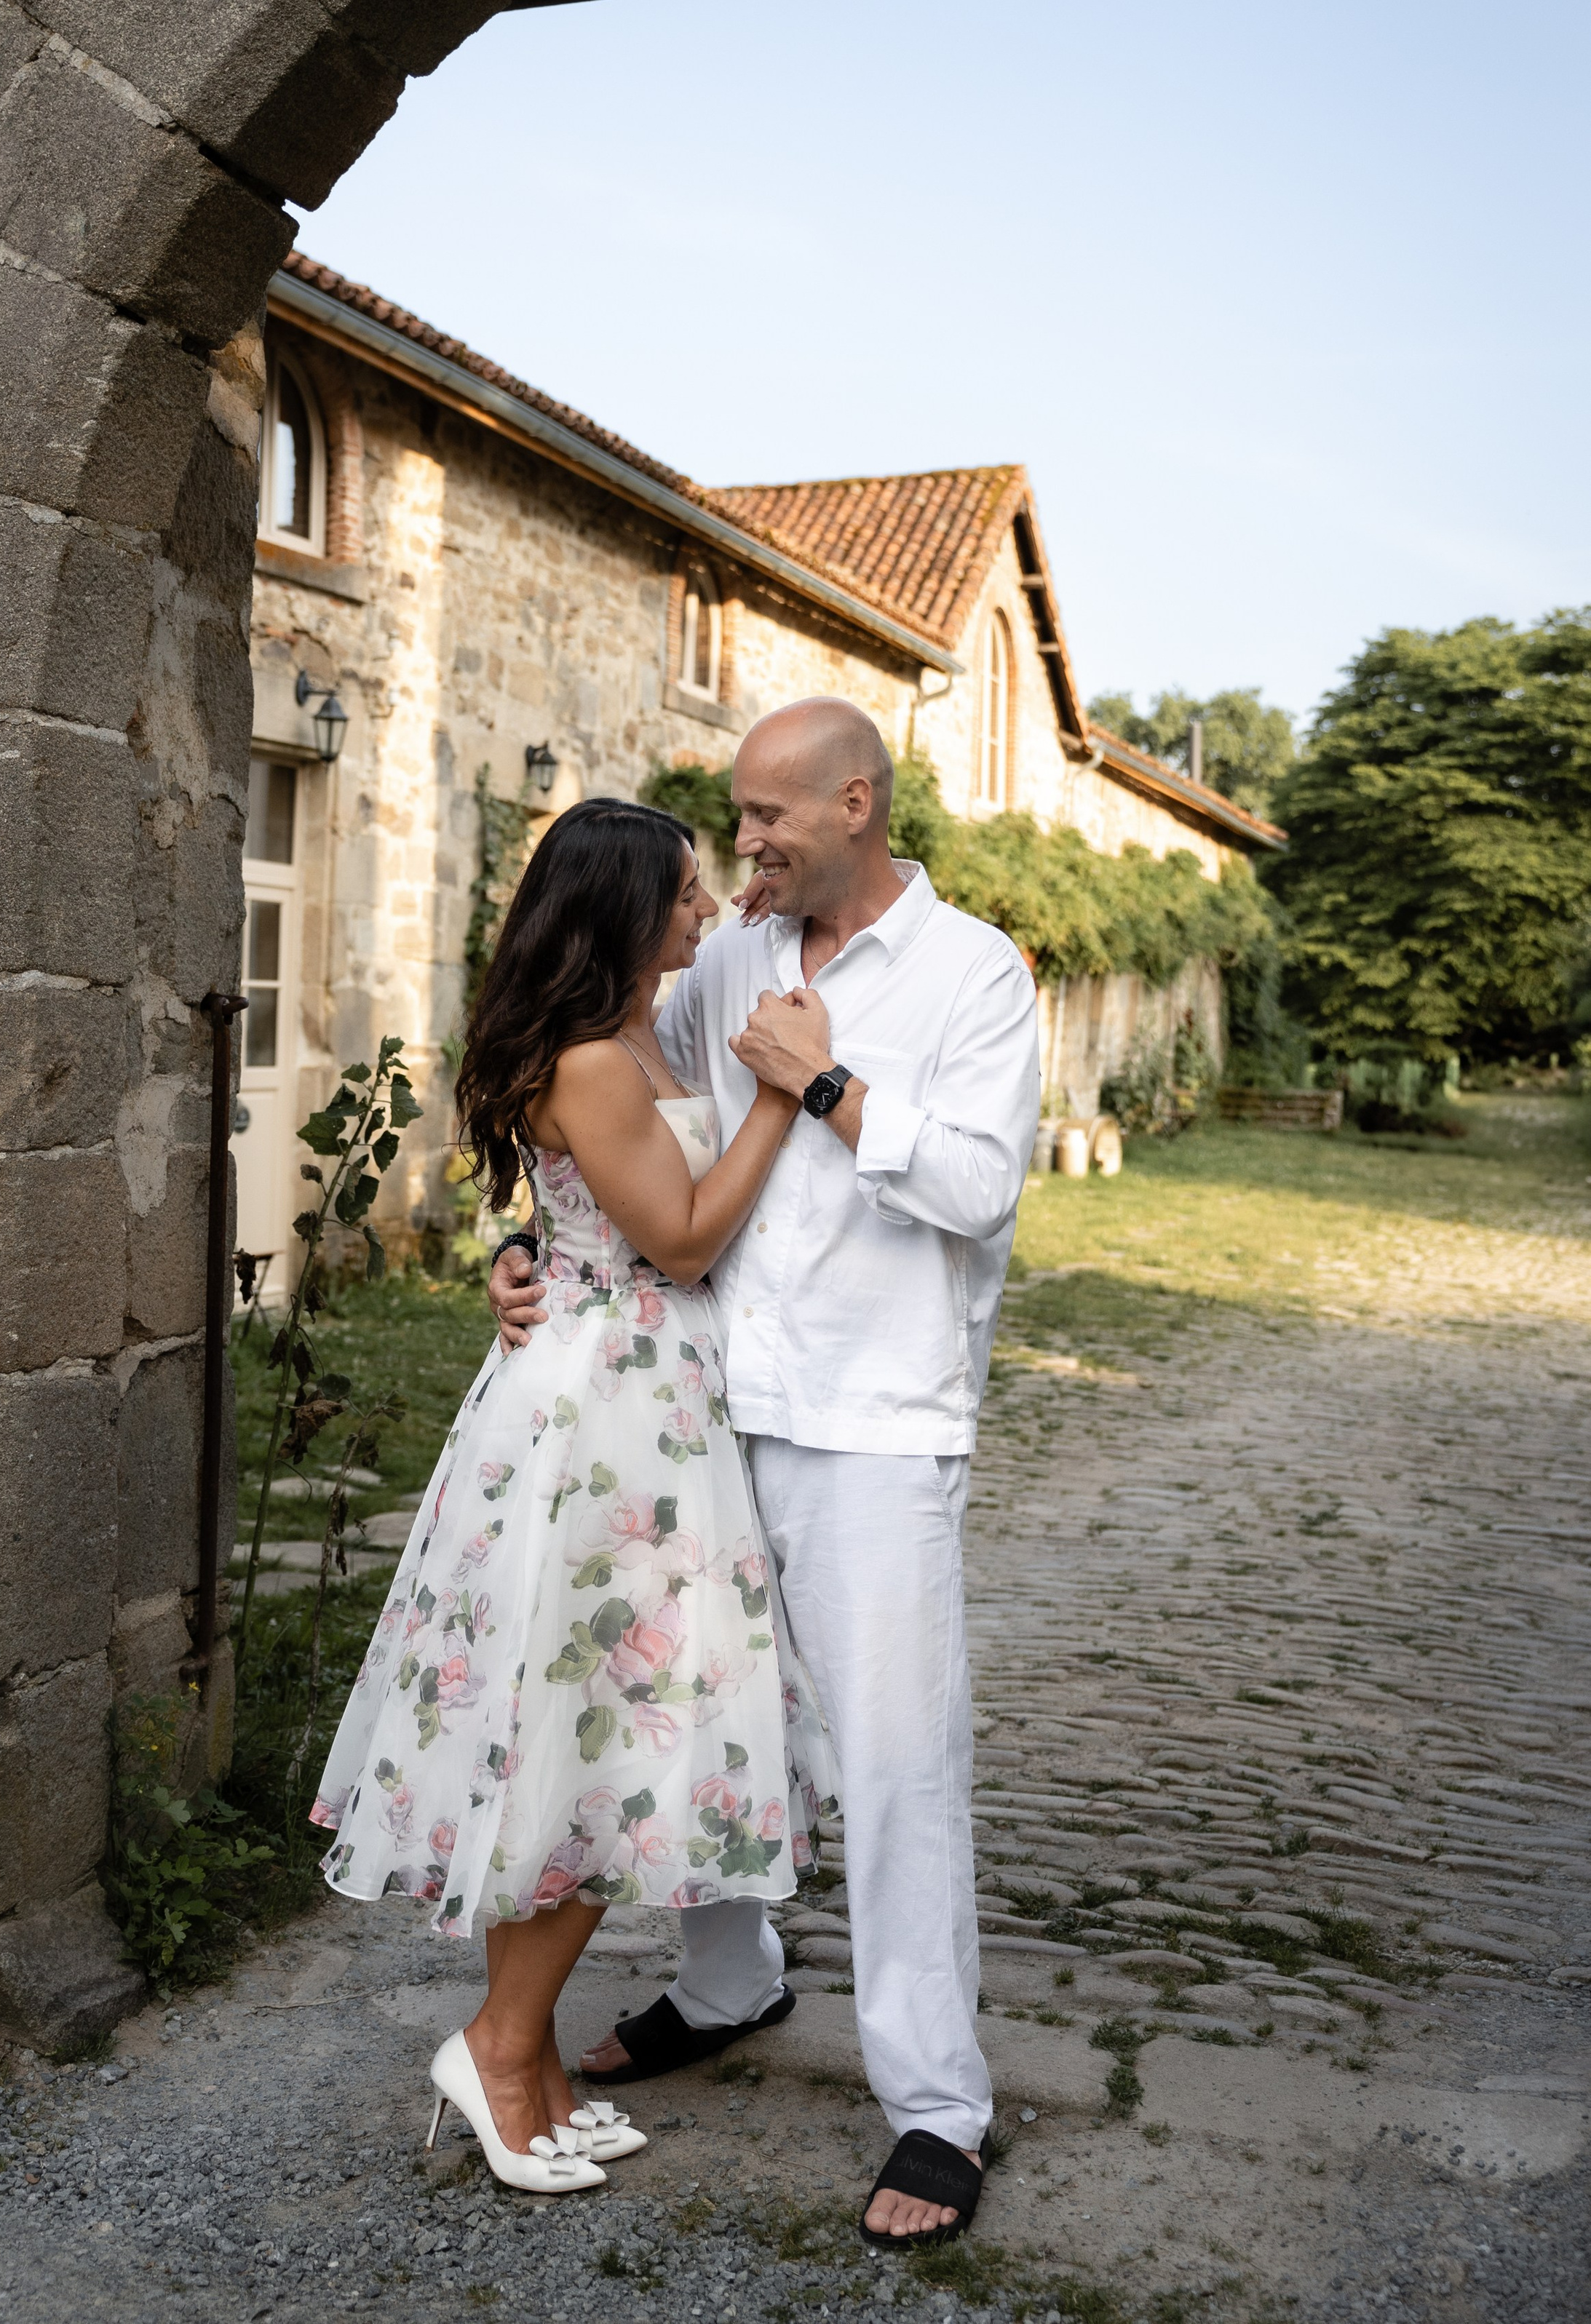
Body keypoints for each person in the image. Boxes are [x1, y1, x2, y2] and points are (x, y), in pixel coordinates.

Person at [491, 698, 1040, 2246]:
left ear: (853, 802)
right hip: (706, 1403)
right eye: (731, 820)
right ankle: (729, 1980)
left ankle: (936, 2105)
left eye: (762, 819)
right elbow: (602, 1120)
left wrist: (828, 1083)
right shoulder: (726, 955)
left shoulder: (970, 973)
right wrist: (524, 1249)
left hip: (874, 1424)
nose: (737, 847)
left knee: (890, 1760)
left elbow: (982, 1189)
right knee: (698, 1719)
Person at [310, 796, 835, 2196]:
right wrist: (788, 1096)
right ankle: (498, 2046)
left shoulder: (629, 1041)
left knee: (575, 1738)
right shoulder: (600, 1060)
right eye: (681, 890)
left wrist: (528, 1251)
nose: (707, 908)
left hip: (618, 1390)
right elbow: (676, 1236)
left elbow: (586, 1213)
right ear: (621, 908)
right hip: (615, 1415)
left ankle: (526, 2062)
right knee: (603, 1737)